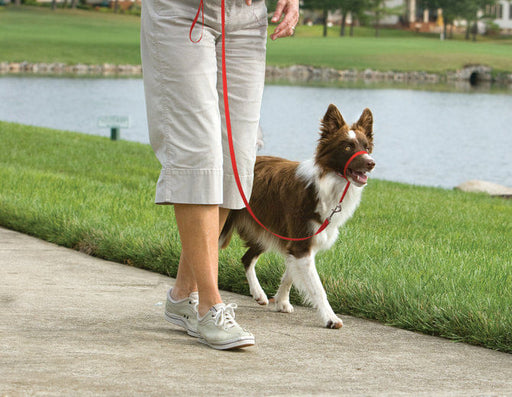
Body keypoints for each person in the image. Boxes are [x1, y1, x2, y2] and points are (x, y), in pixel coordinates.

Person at [140, 0, 299, 350]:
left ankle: (184, 296)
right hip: (183, 12)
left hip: (247, 17)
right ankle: (211, 307)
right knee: (196, 150)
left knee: (236, 156)